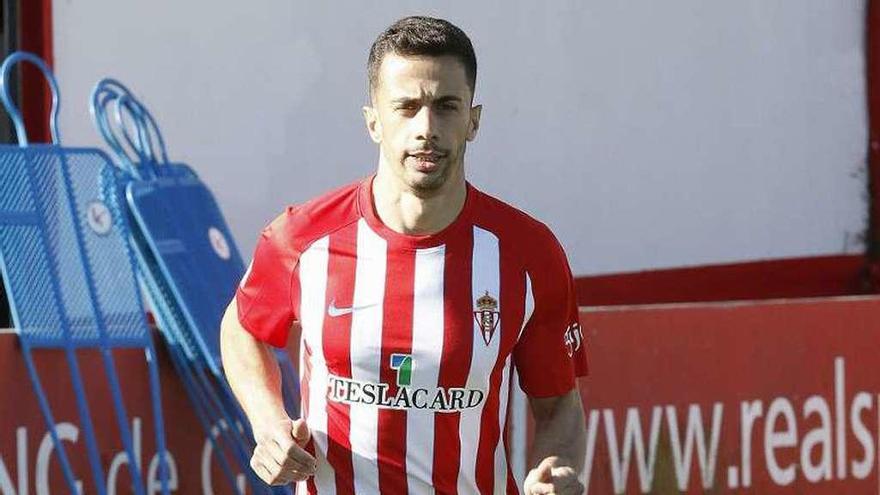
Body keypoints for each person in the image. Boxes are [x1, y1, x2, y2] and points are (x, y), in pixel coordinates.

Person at [220, 15, 588, 495]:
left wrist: (557, 472)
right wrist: (267, 422)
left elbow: (559, 406)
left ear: (473, 121)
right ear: (373, 120)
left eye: (446, 106)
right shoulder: (303, 238)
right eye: (407, 107)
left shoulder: (527, 254)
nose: (426, 128)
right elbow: (243, 325)